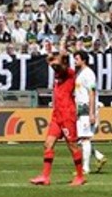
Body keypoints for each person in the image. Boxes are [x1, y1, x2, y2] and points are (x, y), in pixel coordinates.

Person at [31, 52, 85, 186]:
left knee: (72, 146)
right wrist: (53, 56)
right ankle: (45, 176)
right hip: (57, 114)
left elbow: (55, 63)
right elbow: (50, 60)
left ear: (65, 63)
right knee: (48, 144)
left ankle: (80, 176)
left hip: (67, 114)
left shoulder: (69, 73)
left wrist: (58, 56)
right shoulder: (58, 73)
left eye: (57, 61)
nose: (53, 64)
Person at [74, 51, 107, 175]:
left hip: (87, 108)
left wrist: (92, 113)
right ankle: (98, 156)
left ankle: (85, 168)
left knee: (85, 138)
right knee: (80, 138)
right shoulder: (79, 74)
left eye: (76, 58)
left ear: (84, 60)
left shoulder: (88, 74)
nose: (75, 61)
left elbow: (92, 93)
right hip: (80, 108)